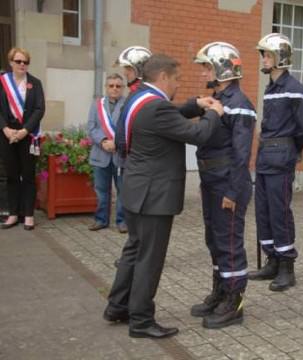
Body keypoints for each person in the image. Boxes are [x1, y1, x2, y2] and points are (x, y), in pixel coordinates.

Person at [103, 53, 224, 339]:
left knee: (133, 252)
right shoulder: (156, 107)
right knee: (149, 259)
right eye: (178, 79)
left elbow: (167, 115)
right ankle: (142, 321)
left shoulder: (138, 97)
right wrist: (213, 114)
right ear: (164, 78)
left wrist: (195, 104)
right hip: (153, 197)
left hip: (136, 190)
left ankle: (117, 306)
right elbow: (197, 135)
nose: (179, 85)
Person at [191, 42, 256, 328]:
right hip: (211, 181)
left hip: (228, 183)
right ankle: (220, 290)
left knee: (229, 242)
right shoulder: (216, 100)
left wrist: (232, 190)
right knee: (214, 239)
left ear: (222, 68)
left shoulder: (239, 105)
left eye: (206, 66)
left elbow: (242, 154)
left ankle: (234, 301)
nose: (202, 72)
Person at [248, 33, 303, 291]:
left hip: (280, 159)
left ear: (279, 58)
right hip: (264, 158)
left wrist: (287, 151)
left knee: (280, 212)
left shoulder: (295, 89)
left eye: (267, 54)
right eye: (263, 54)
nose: (263, 59)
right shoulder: (271, 88)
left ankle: (287, 267)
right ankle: (272, 260)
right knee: (263, 212)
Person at [0, 47, 45, 231]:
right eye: (18, 61)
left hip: (27, 135)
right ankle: (13, 214)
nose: (22, 65)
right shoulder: (2, 82)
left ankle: (28, 215)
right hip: (7, 134)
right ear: (11, 62)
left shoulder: (35, 83)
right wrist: (5, 128)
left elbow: (39, 109)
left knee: (27, 175)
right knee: (11, 175)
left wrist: (25, 130)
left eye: (25, 62)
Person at [87, 73, 127, 233]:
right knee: (101, 191)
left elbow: (129, 128)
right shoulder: (97, 104)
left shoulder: (127, 104)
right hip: (100, 154)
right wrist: (103, 141)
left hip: (120, 155)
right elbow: (91, 127)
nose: (114, 89)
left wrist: (116, 143)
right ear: (106, 87)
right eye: (111, 85)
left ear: (122, 88)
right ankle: (101, 219)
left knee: (123, 191)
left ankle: (122, 221)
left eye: (118, 86)